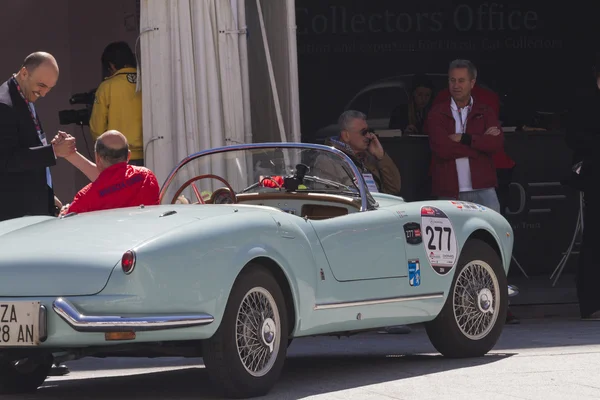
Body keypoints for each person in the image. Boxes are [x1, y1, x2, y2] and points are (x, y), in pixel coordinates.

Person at [0, 52, 76, 222]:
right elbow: (6, 160)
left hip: (33, 206)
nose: (44, 93)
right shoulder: (4, 105)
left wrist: (47, 193)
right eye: (41, 85)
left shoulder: (25, 97)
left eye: (49, 88)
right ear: (24, 73)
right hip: (15, 215)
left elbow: (26, 148)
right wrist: (53, 151)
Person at [424, 59, 503, 210]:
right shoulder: (437, 112)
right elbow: (442, 149)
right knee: (453, 234)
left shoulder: (485, 111)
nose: (456, 85)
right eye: (452, 80)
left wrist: (464, 138)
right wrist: (478, 148)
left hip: (484, 189)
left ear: (472, 83)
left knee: (493, 231)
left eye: (461, 80)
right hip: (449, 191)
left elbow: (496, 144)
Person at [564, 52, 600, 320]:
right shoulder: (586, 105)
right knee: (594, 241)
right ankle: (591, 303)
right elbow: (575, 138)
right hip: (595, 179)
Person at [59, 130, 159, 215]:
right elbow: (114, 181)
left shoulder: (86, 196)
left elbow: (64, 220)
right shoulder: (146, 176)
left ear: (97, 158)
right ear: (128, 156)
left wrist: (63, 209)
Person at [315, 110, 402, 196]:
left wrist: (381, 157)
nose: (369, 136)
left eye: (369, 131)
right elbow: (328, 199)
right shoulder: (328, 160)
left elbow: (394, 189)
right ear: (346, 136)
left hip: (377, 206)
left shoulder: (369, 157)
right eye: (363, 132)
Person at [89, 41, 143, 166]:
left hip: (117, 157)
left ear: (112, 66)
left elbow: (97, 128)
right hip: (151, 151)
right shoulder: (146, 81)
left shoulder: (107, 87)